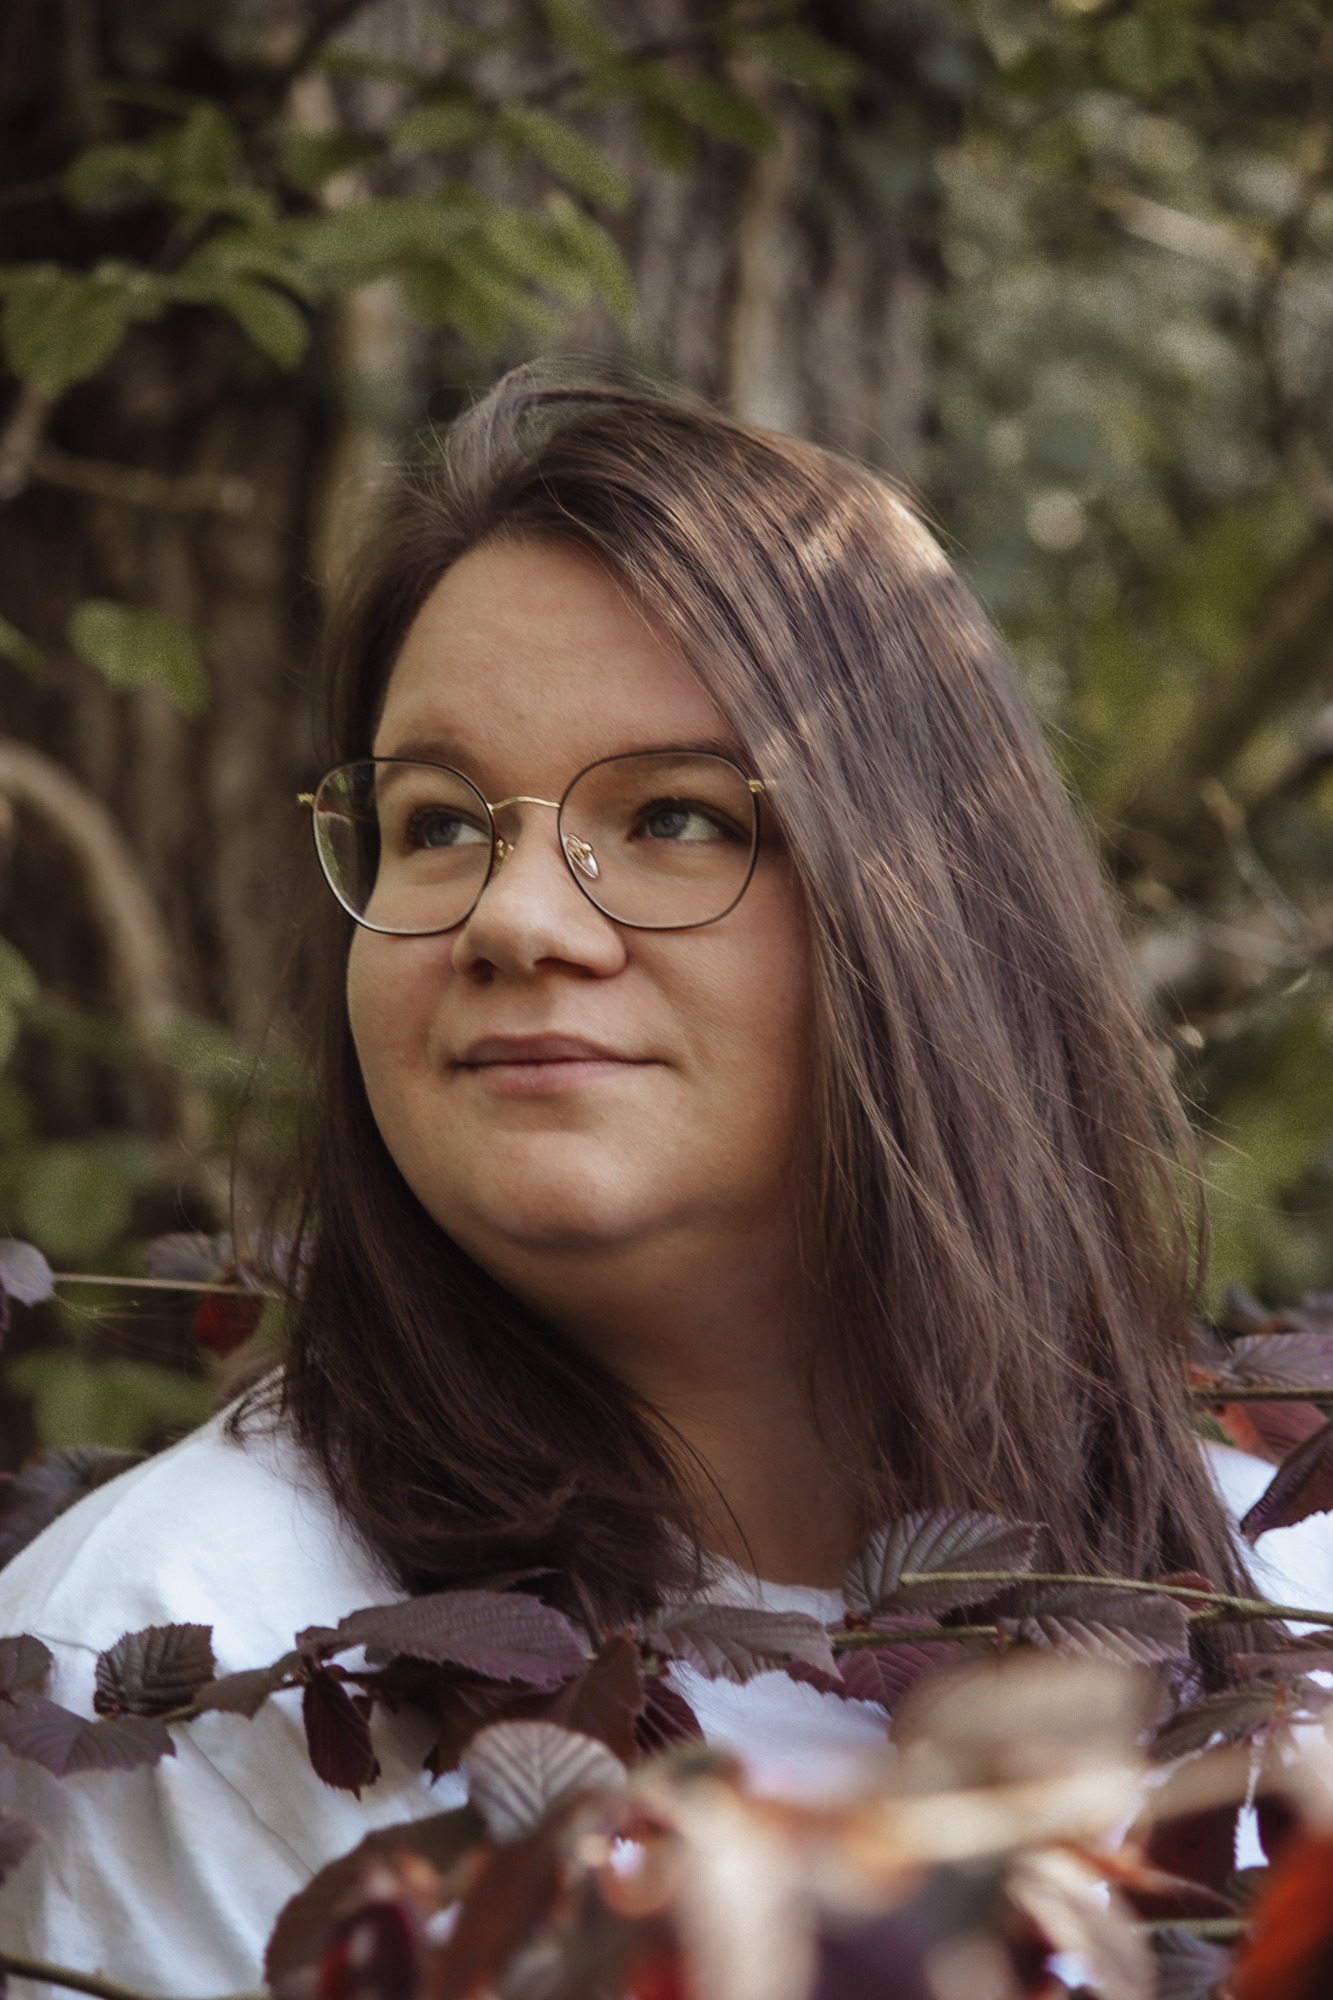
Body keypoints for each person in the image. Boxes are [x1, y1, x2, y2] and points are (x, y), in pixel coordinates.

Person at [0, 369, 1328, 1993]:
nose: (514, 918)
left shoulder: (1286, 1609)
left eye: (677, 815)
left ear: (931, 913)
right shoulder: (178, 1665)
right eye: (438, 824)